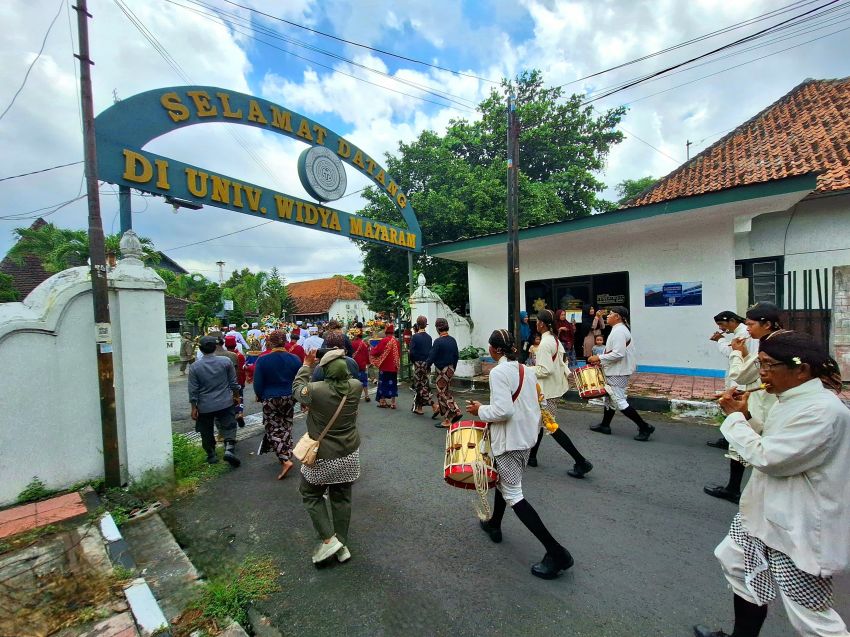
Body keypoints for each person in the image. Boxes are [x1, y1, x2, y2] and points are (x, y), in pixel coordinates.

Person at [694, 331, 850, 637]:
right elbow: (771, 439)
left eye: (767, 365)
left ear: (801, 369)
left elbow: (769, 457)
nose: (762, 373)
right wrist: (746, 415)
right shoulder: (789, 400)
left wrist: (735, 420)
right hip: (762, 516)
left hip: (797, 527)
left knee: (811, 618)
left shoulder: (822, 411)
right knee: (738, 565)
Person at [470, 329, 574, 580]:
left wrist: (480, 410)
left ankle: (556, 552)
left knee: (514, 494)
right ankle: (495, 523)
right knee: (505, 482)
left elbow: (503, 410)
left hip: (509, 442)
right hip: (525, 439)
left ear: (494, 350)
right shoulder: (526, 370)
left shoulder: (497, 372)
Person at [704, 303, 783, 504]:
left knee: (742, 445)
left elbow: (740, 373)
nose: (747, 328)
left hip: (761, 402)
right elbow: (754, 370)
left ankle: (735, 490)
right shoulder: (772, 340)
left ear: (767, 324)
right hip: (762, 395)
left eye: (751, 324)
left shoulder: (769, 344)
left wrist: (737, 352)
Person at [293, 348, 363, 565]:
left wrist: (306, 365)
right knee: (342, 497)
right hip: (349, 453)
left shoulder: (315, 390)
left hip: (323, 455)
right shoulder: (356, 387)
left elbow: (297, 390)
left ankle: (329, 539)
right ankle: (342, 545)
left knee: (311, 494)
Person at [527, 309, 593, 478]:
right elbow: (563, 363)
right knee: (540, 423)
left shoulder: (544, 344)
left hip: (548, 391)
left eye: (537, 321)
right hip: (554, 389)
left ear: (541, 323)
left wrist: (525, 369)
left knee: (551, 427)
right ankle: (532, 457)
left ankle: (581, 461)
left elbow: (544, 370)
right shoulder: (554, 340)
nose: (536, 324)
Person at [587, 305, 655, 441]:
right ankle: (605, 425)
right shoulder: (619, 329)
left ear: (617, 316)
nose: (607, 316)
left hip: (618, 371)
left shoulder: (619, 331)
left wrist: (598, 357)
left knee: (619, 400)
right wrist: (603, 361)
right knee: (610, 399)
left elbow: (618, 354)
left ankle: (644, 426)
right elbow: (614, 352)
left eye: (610, 314)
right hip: (616, 369)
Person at [253, 330, 302, 480]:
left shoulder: (262, 360)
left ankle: (284, 459)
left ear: (270, 342)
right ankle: (287, 452)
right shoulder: (294, 359)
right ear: (285, 341)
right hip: (289, 396)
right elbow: (299, 379)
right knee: (286, 424)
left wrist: (261, 396)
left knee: (272, 428)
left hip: (270, 397)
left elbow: (258, 383)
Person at [188, 336, 241, 467]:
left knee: (206, 430)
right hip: (225, 402)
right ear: (216, 346)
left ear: (200, 348)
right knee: (229, 425)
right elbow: (233, 382)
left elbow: (193, 390)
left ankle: (211, 455)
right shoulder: (225, 361)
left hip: (204, 405)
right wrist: (236, 396)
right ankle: (229, 449)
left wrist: (194, 407)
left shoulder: (195, 366)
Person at [426, 317, 462, 428]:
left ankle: (453, 413)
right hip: (451, 368)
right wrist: (453, 368)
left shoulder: (438, 341)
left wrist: (426, 366)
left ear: (437, 328)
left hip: (442, 370)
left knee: (442, 394)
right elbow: (456, 356)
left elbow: (431, 357)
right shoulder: (452, 340)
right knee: (445, 392)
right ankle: (450, 415)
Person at [710, 310, 750, 389]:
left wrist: (720, 339)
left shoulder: (743, 332)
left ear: (732, 321)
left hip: (742, 375)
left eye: (721, 324)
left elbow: (730, 352)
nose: (720, 328)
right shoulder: (741, 331)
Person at [370, 324, 400, 409]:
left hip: (384, 367)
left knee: (383, 384)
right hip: (393, 367)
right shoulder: (396, 341)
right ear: (393, 332)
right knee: (393, 384)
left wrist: (372, 348)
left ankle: (382, 401)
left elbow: (376, 351)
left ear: (386, 332)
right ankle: (393, 403)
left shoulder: (384, 341)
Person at [409, 316, 434, 415]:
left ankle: (433, 405)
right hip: (427, 363)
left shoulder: (415, 337)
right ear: (425, 325)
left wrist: (414, 362)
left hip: (418, 363)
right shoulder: (429, 337)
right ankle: (419, 408)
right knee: (423, 384)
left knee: (419, 386)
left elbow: (411, 352)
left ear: (417, 325)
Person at [224, 335, 247, 428]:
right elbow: (242, 370)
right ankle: (240, 413)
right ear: (235, 344)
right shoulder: (240, 355)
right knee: (239, 396)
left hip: (227, 382)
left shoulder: (223, 356)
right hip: (238, 380)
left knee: (229, 399)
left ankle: (231, 415)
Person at [350, 323, 371, 402]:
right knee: (364, 380)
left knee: (355, 381)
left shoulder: (351, 343)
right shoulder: (364, 344)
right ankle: (366, 395)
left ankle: (356, 396)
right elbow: (367, 354)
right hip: (362, 365)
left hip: (354, 364)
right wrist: (368, 363)